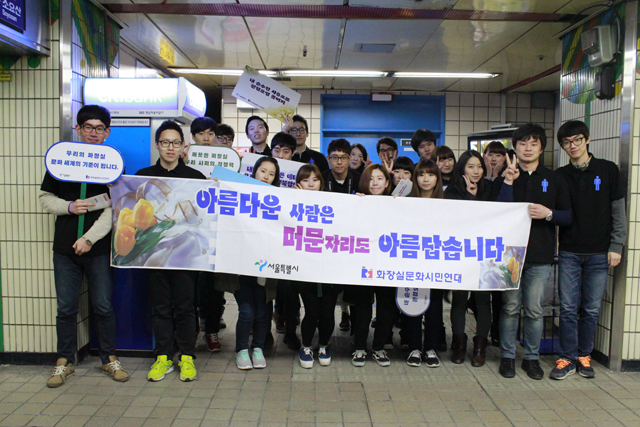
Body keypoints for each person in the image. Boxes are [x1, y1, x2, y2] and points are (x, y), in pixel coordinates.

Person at [39, 105, 129, 388]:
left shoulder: (113, 165)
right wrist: (69, 206)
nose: (93, 133)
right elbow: (45, 197)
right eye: (88, 127)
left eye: (99, 128)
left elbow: (114, 208)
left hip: (98, 249)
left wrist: (89, 238)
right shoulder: (62, 161)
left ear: (107, 132)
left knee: (103, 305)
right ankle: (64, 361)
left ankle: (109, 358)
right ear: (78, 129)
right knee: (66, 307)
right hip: (64, 249)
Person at [550, 120, 627, 380]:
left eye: (577, 140)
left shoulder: (607, 170)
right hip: (569, 251)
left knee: (591, 309)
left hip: (600, 252)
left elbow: (618, 212)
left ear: (587, 139)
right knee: (568, 308)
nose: (572, 146)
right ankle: (566, 358)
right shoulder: (560, 175)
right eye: (566, 142)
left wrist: (616, 245)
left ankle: (584, 355)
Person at [496, 123, 573, 380]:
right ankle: (507, 357)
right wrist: (508, 181)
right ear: (515, 148)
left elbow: (568, 215)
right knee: (510, 307)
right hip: (510, 255)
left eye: (533, 143)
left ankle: (531, 358)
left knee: (534, 309)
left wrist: (548, 214)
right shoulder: (506, 176)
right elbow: (497, 212)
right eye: (522, 143)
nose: (527, 148)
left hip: (540, 254)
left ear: (542, 148)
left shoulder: (554, 179)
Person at [136, 120, 206, 382]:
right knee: (161, 308)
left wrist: (215, 188)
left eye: (176, 143)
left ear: (183, 146)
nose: (170, 147)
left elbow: (203, 215)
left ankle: (187, 357)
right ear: (157, 145)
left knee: (186, 308)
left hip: (186, 253)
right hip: (154, 254)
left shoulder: (196, 177)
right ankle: (163, 357)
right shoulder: (142, 176)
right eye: (165, 142)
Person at [444, 150, 517, 367]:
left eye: (479, 167)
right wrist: (469, 196)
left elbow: (498, 214)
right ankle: (459, 345)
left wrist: (476, 195)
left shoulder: (489, 189)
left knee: (483, 299)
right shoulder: (451, 191)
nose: (476, 171)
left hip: (486, 253)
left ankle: (480, 347)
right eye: (471, 167)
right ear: (462, 169)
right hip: (459, 252)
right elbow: (458, 220)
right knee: (459, 299)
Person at [347, 164, 397, 367]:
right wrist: (354, 203)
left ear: (387, 183)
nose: (375, 183)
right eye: (370, 178)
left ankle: (379, 348)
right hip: (363, 263)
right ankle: (359, 347)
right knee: (362, 308)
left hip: (387, 265)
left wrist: (400, 205)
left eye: (379, 178)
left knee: (386, 308)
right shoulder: (356, 202)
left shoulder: (396, 204)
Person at [235, 157, 281, 370]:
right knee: (247, 312)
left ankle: (258, 348)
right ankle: (242, 350)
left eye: (272, 174)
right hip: (242, 266)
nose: (266, 176)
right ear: (254, 171)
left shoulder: (280, 199)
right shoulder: (240, 193)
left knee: (263, 313)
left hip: (266, 268)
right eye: (263, 171)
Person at [293, 165, 340, 368]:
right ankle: (306, 346)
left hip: (330, 269)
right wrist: (298, 200)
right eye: (305, 180)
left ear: (322, 182)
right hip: (306, 269)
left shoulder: (333, 203)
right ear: (298, 184)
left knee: (328, 312)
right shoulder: (292, 204)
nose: (311, 184)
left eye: (315, 180)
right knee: (311, 312)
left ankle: (323, 345)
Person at [404, 159, 446, 368]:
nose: (426, 179)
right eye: (421, 174)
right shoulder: (406, 202)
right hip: (412, 261)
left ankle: (430, 348)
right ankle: (414, 347)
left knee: (434, 307)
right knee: (413, 303)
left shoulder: (447, 203)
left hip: (436, 262)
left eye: (430, 174)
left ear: (437, 178)